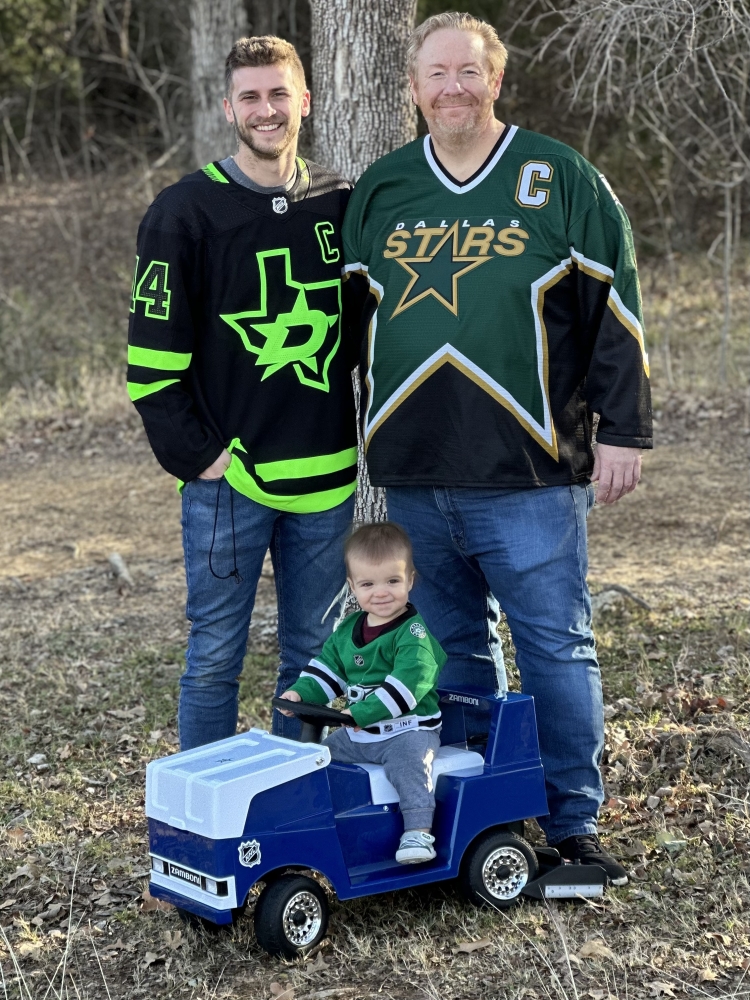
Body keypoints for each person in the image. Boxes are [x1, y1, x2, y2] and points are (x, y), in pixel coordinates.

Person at [341, 12, 653, 885]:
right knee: (451, 651)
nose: (452, 88)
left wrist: (624, 431)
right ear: (410, 88)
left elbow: (616, 311)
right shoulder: (384, 189)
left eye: (468, 73)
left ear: (496, 80)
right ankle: (484, 817)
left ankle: (574, 827)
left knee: (556, 645)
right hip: (412, 471)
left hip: (529, 472)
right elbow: (346, 328)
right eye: (435, 74)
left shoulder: (558, 177)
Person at [127, 36, 359, 750]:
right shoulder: (184, 212)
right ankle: (205, 826)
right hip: (232, 481)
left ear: (306, 102)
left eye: (280, 94)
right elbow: (148, 363)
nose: (267, 110)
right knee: (215, 660)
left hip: (326, 477)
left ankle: (294, 811)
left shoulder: (339, 203)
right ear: (229, 107)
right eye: (252, 97)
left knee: (315, 660)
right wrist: (200, 458)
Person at [279, 522, 445, 864]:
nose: (381, 593)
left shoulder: (413, 635)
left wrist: (364, 712)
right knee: (318, 759)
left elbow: (408, 685)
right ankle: (317, 823)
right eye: (368, 584)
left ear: (410, 580)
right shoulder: (349, 630)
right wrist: (300, 693)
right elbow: (328, 670)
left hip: (409, 730)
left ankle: (418, 832)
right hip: (359, 734)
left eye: (393, 581)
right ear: (352, 587)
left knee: (410, 765)